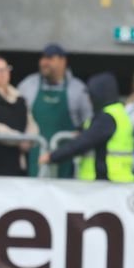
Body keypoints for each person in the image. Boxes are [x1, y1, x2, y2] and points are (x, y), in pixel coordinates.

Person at [40, 73, 134, 183]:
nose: (89, 99)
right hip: (117, 181)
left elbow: (83, 142)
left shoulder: (107, 118)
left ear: (99, 95)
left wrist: (52, 157)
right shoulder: (118, 113)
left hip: (107, 183)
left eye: (91, 95)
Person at [17, 43, 92, 178]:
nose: (44, 62)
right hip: (34, 156)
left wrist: (81, 133)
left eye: (50, 58)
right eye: (43, 58)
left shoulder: (78, 89)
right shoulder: (28, 85)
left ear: (63, 61)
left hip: (66, 158)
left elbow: (89, 121)